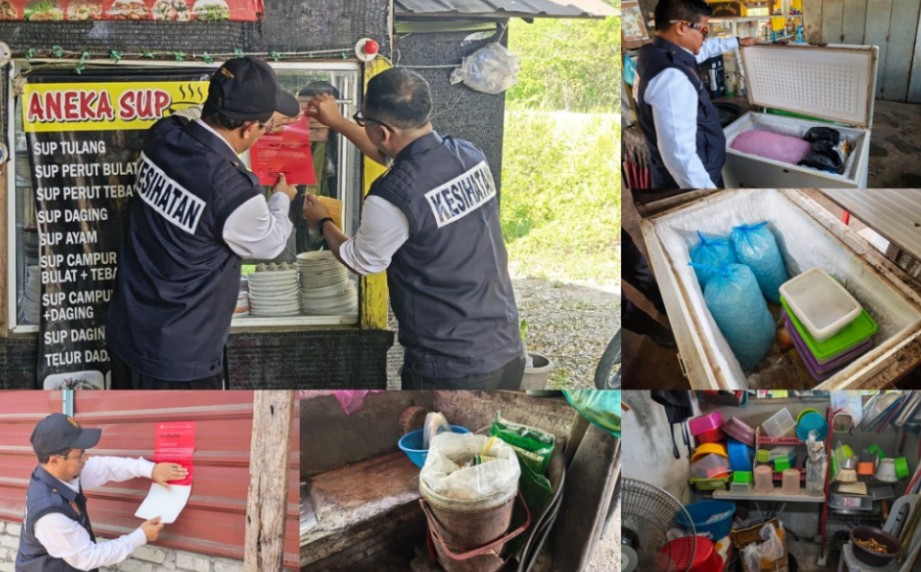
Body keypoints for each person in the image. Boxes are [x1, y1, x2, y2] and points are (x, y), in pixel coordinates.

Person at [302, 68, 524, 390]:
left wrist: (324, 222)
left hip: (451, 365)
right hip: (505, 347)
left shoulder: (390, 196)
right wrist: (338, 122)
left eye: (364, 123)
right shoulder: (468, 154)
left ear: (384, 132)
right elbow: (397, 158)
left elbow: (362, 260)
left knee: (435, 439)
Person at [106, 56, 300, 389]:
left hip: (128, 329)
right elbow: (271, 243)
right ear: (248, 128)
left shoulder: (164, 134)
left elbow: (192, 117)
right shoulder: (232, 189)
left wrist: (260, 117)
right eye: (265, 126)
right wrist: (282, 197)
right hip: (180, 359)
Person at [15, 413, 189, 571]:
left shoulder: (60, 472)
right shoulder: (50, 515)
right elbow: (90, 557)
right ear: (55, 460)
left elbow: (106, 467)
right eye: (80, 455)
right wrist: (141, 536)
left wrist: (151, 470)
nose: (86, 458)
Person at [634, 0, 759, 189]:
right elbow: (679, 155)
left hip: (689, 171)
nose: (705, 37)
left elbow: (703, 51)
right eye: (704, 31)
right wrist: (707, 193)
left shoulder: (656, 54)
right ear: (682, 27)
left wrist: (737, 42)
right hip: (691, 181)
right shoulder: (671, 78)